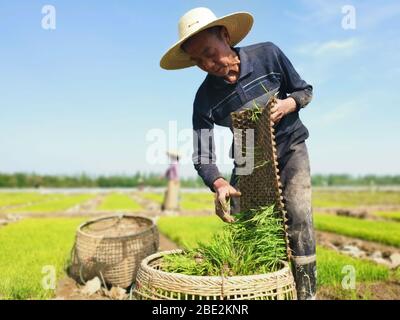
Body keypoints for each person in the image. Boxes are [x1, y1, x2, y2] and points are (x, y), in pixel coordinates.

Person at [160, 7, 316, 300]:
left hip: (290, 144)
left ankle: (307, 293)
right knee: (246, 220)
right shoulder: (205, 99)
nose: (208, 63)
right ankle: (261, 291)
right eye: (198, 60)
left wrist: (289, 104)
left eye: (210, 51)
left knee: (298, 212)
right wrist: (218, 184)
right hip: (248, 158)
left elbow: (303, 90)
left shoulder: (267, 55)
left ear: (225, 35)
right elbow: (203, 154)